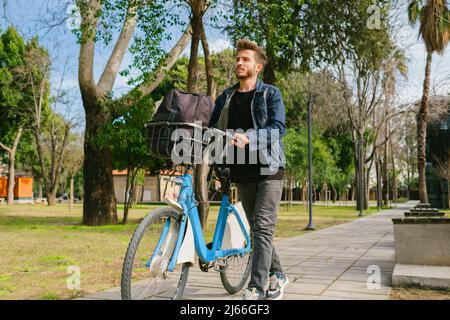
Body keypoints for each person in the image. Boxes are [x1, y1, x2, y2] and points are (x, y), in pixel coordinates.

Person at [209, 39, 289, 300]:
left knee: (263, 227)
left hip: (269, 169)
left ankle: (256, 286)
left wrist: (250, 138)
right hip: (242, 171)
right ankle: (279, 274)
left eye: (245, 59)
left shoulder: (270, 94)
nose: (239, 63)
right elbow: (213, 128)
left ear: (258, 66)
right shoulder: (227, 96)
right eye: (238, 59)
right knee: (256, 229)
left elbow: (278, 128)